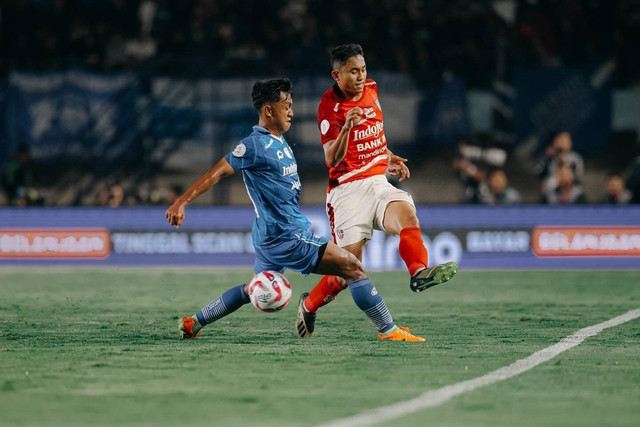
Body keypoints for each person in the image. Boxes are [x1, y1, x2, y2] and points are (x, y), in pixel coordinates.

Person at [166, 78, 424, 342]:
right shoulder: (255, 145)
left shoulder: (278, 141)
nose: (291, 111)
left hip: (270, 235)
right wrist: (182, 201)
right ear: (268, 110)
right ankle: (388, 330)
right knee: (353, 267)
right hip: (286, 234)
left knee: (254, 288)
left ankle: (194, 322)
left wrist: (383, 156)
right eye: (285, 106)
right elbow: (218, 171)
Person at [295, 44, 458, 339]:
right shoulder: (329, 106)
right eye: (353, 71)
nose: (360, 76)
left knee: (408, 216)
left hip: (378, 182)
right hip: (347, 192)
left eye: (363, 69)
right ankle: (308, 304)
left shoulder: (372, 89)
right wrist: (346, 127)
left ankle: (418, 272)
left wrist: (387, 155)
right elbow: (331, 158)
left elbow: (374, 132)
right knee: (347, 272)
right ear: (336, 74)